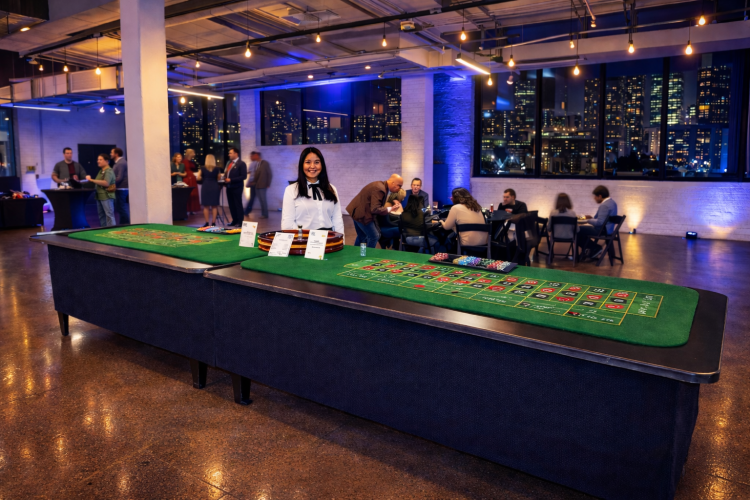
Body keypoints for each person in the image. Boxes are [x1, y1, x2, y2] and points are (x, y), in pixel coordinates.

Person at [281, 147, 344, 234]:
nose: (312, 166)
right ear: (302, 165)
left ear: (322, 165)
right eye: (308, 162)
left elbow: (337, 220)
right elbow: (287, 223)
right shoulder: (291, 190)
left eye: (317, 162)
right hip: (304, 238)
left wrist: (340, 239)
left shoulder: (331, 189)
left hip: (328, 238)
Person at [346, 174, 404, 248]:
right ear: (393, 183)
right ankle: (369, 255)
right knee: (374, 236)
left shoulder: (381, 186)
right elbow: (375, 209)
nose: (399, 189)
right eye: (399, 186)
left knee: (362, 236)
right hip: (362, 214)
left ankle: (357, 253)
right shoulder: (380, 189)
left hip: (357, 212)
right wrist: (390, 209)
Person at [577, 185, 618, 260]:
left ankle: (595, 248)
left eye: (595, 196)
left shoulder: (604, 205)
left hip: (601, 230)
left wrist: (587, 220)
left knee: (577, 229)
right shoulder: (612, 203)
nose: (594, 198)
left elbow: (600, 222)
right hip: (609, 230)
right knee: (582, 230)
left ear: (600, 196)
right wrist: (591, 218)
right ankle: (588, 250)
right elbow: (602, 219)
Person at [85, 153, 116, 227]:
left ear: (107, 161)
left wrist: (92, 180)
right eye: (98, 159)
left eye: (100, 159)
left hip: (106, 196)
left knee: (109, 215)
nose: (98, 161)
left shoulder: (108, 171)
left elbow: (106, 183)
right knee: (102, 215)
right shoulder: (101, 171)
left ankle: (112, 231)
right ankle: (104, 231)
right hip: (99, 196)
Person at [195, 154, 221, 227]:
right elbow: (219, 178)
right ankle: (213, 223)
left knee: (206, 206)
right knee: (214, 206)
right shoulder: (217, 168)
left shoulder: (202, 168)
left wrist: (204, 178)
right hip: (214, 186)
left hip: (205, 186)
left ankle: (206, 222)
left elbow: (198, 178)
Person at [224, 147, 247, 227]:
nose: (229, 154)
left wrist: (231, 180)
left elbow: (243, 176)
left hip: (237, 187)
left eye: (230, 153)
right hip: (229, 187)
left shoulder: (241, 163)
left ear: (236, 153)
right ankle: (234, 220)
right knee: (231, 205)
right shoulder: (229, 163)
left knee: (237, 204)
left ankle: (240, 222)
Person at [111, 147, 129, 224]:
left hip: (122, 188)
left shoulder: (121, 163)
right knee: (120, 207)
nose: (110, 154)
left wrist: (109, 182)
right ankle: (123, 224)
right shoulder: (118, 163)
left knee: (121, 207)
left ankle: (126, 224)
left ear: (116, 154)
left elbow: (119, 177)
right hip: (120, 188)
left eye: (112, 153)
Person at [252, 151, 272, 219]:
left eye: (254, 155)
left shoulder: (265, 163)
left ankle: (265, 214)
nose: (253, 157)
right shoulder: (257, 164)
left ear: (257, 155)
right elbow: (256, 174)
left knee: (263, 200)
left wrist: (268, 183)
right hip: (256, 185)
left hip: (263, 185)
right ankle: (263, 214)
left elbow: (269, 173)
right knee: (261, 200)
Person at [182, 149, 201, 215]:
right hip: (187, 178)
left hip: (192, 178)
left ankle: (192, 209)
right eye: (193, 152)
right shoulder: (184, 161)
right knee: (189, 193)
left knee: (193, 193)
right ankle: (188, 209)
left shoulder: (190, 161)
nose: (194, 154)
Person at [243, 151, 259, 216]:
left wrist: (250, 182)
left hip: (254, 183)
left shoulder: (256, 163)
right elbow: (250, 172)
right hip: (253, 182)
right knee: (252, 197)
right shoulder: (253, 163)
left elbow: (253, 174)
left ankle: (247, 211)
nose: (250, 158)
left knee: (252, 198)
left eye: (251, 156)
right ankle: (247, 210)